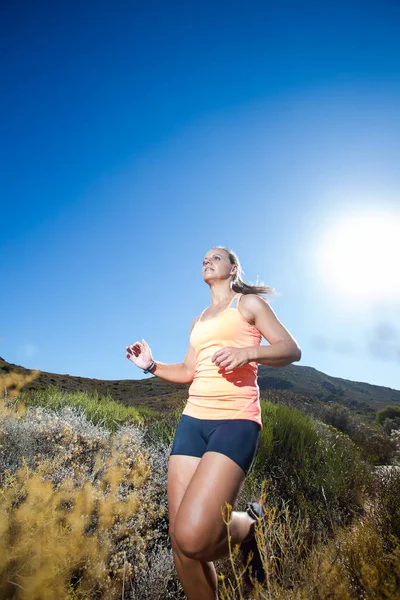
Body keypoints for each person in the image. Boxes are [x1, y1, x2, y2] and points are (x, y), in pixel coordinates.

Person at [126, 246, 301, 600]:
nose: (207, 260)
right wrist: (152, 365)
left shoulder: (248, 305)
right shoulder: (199, 320)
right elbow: (190, 371)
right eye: (204, 258)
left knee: (195, 536)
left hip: (235, 420)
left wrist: (247, 353)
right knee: (181, 543)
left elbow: (289, 349)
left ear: (233, 268)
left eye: (216, 257)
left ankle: (248, 525)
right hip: (193, 421)